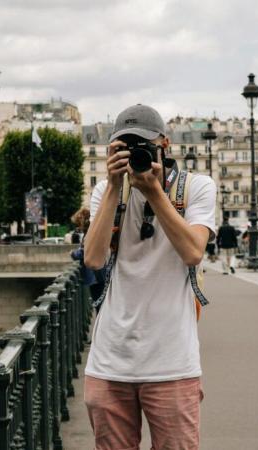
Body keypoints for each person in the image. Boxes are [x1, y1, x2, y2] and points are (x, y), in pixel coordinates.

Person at [83, 104, 215, 449]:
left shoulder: (196, 188)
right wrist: (113, 186)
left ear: (164, 145)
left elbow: (193, 252)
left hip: (172, 362)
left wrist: (154, 192)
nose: (134, 154)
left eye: (142, 145)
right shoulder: (105, 191)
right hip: (109, 362)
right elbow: (93, 258)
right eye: (125, 146)